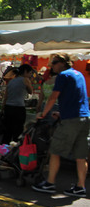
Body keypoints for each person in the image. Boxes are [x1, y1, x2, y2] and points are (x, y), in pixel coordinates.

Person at [32, 53, 90, 197]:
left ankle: (50, 183)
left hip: (70, 120)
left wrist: (43, 114)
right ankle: (80, 186)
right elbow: (77, 98)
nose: (52, 66)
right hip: (84, 118)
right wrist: (61, 113)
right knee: (81, 155)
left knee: (55, 151)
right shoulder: (79, 75)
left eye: (54, 62)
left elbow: (52, 97)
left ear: (63, 63)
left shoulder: (63, 76)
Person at [1, 63, 34, 144]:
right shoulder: (25, 80)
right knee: (17, 132)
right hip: (18, 108)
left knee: (7, 131)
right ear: (25, 72)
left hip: (8, 107)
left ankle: (3, 151)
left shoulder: (11, 81)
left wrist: (2, 108)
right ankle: (14, 151)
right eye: (30, 73)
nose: (30, 75)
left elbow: (5, 97)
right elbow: (30, 91)